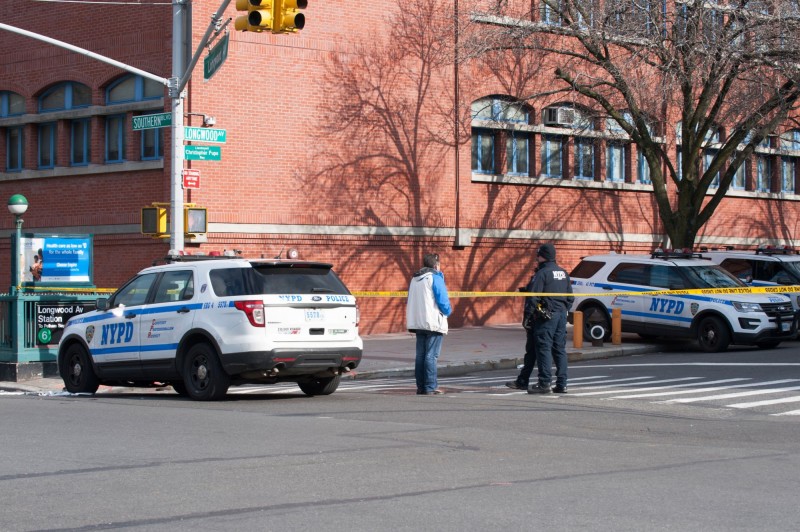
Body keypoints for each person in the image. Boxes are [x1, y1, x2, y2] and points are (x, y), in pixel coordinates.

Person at [527, 243, 574, 394]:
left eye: (538, 255)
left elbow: (533, 297)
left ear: (543, 256)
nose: (536, 258)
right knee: (559, 349)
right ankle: (562, 384)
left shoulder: (542, 273)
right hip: (561, 316)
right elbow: (570, 298)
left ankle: (544, 383)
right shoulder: (563, 273)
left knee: (544, 348)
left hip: (546, 317)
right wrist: (563, 310)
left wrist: (528, 316)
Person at [406, 253, 452, 395]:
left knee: (420, 355)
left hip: (418, 321)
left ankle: (421, 386)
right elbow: (443, 301)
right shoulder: (435, 278)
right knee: (431, 356)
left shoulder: (415, 278)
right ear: (435, 265)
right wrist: (448, 311)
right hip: (433, 321)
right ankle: (430, 386)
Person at [505, 266, 541, 390]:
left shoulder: (540, 277)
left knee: (535, 352)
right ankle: (558, 382)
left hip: (537, 320)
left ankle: (539, 382)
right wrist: (522, 290)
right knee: (538, 353)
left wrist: (528, 317)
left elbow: (533, 298)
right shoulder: (552, 277)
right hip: (549, 320)